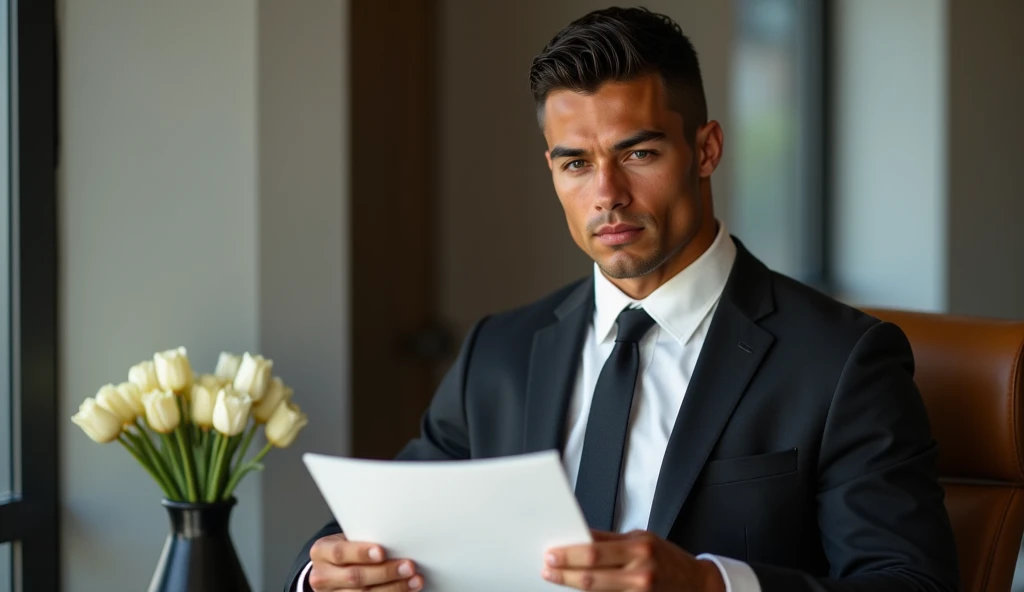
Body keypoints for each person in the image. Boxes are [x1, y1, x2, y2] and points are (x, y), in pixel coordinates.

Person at [286, 7, 958, 592]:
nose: (606, 193)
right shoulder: (500, 351)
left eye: (637, 154)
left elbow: (911, 581)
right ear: (552, 170)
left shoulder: (842, 362)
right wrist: (324, 575)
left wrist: (711, 585)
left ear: (706, 149)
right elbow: (377, 525)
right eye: (576, 163)